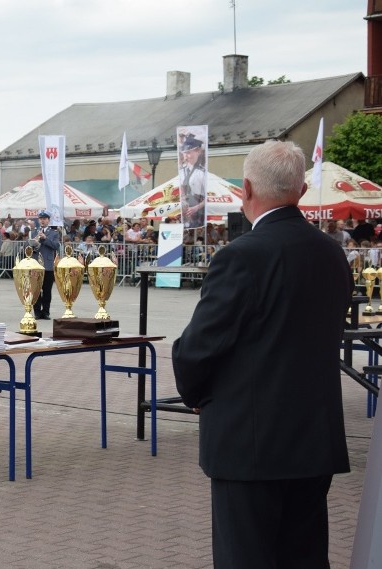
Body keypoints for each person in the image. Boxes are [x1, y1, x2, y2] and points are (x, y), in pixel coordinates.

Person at [171, 141, 351, 568]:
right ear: (301, 190)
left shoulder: (243, 256)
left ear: (245, 189)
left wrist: (194, 393)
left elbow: (199, 347)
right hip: (312, 441)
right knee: (305, 558)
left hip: (250, 445)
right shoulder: (332, 254)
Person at [27, 210, 61, 320]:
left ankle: (46, 312)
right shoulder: (33, 232)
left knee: (47, 290)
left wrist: (45, 239)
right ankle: (37, 312)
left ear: (48, 220)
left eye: (44, 219)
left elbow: (56, 246)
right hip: (36, 264)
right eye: (41, 219)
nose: (42, 221)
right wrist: (33, 245)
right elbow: (29, 248)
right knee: (36, 289)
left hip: (48, 265)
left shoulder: (53, 233)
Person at [178, 133, 207, 230]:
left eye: (189, 152)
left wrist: (196, 208)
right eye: (185, 153)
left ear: (198, 151)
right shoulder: (181, 172)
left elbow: (208, 197)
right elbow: (181, 189)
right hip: (186, 211)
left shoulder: (202, 173)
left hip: (199, 210)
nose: (186, 156)